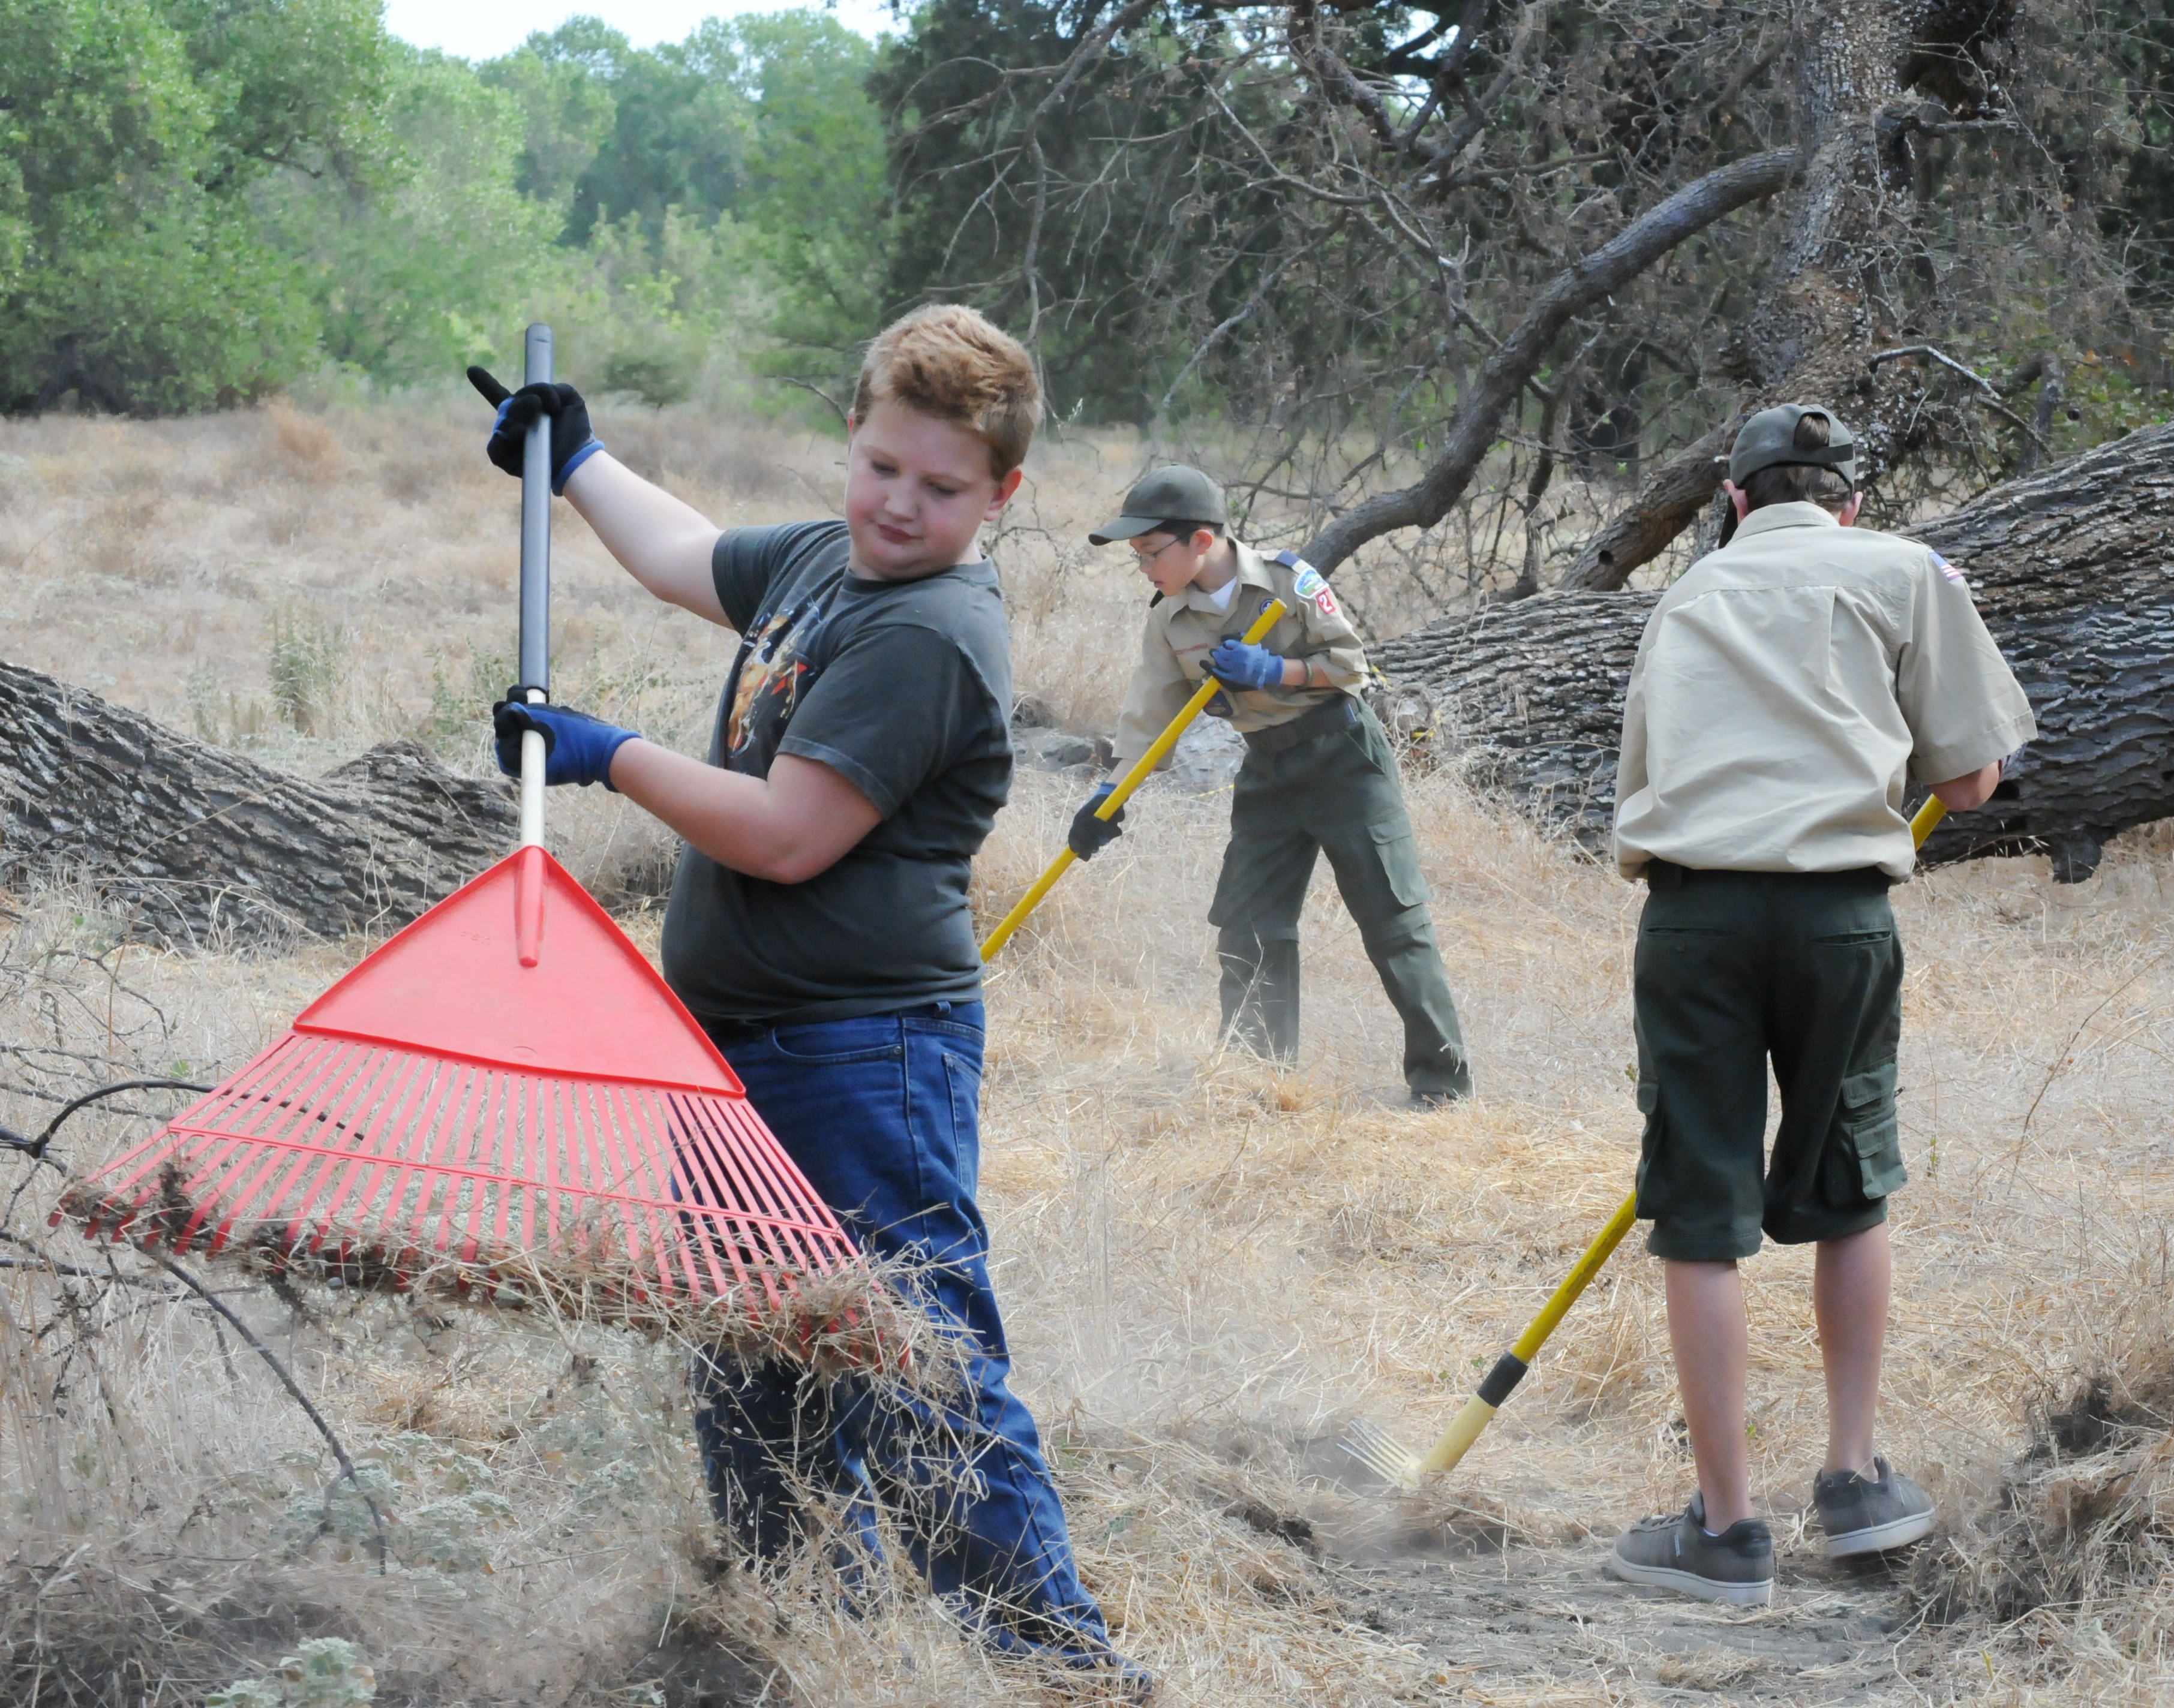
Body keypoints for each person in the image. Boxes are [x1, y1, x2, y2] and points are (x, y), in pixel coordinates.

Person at [473, 305, 1142, 1688]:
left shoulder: (931, 631)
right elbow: (675, 553)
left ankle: (1055, 1663)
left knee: (913, 1361)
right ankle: (801, 1633)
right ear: (852, 439)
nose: (899, 504)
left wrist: (612, 754)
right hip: (737, 1048)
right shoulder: (820, 563)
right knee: (752, 1358)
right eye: (882, 465)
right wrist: (576, 454)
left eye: (941, 487)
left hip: (861, 1054)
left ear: (1001, 494)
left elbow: (783, 832)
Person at [1603, 404, 2035, 1606]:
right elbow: (1969, 775)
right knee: (1847, 1183)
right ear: (1846, 498)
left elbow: (1640, 777)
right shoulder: (1903, 569)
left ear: (1734, 501)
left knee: (1698, 1208)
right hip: (1838, 914)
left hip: (1691, 917)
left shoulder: (1686, 597)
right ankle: (1849, 1480)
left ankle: (1726, 1529)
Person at [1071, 465, 1472, 1106]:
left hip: (1343, 759)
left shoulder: (1289, 582)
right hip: (1266, 770)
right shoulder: (1167, 620)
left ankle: (1441, 1083)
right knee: (1248, 923)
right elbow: (1147, 721)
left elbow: (1351, 665)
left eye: (1149, 553)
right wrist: (1107, 796)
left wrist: (1274, 669)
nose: (1142, 567)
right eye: (1137, 556)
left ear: (1200, 541)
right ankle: (1258, 1077)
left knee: (1392, 922)